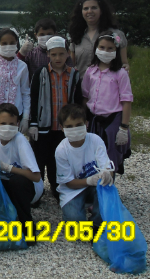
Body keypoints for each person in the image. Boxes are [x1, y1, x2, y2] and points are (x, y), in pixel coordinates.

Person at [0, 103, 43, 244]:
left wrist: (8, 168)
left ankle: (27, 228)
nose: (7, 127)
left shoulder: (20, 141)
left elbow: (36, 177)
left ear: (18, 124)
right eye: (3, 123)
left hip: (27, 187)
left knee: (16, 182)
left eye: (11, 124)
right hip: (4, 187)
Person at [27, 36, 82, 201]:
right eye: (54, 54)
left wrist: (78, 122)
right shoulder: (41, 73)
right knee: (39, 158)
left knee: (58, 158)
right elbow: (34, 98)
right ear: (48, 55)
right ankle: (36, 191)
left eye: (61, 54)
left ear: (67, 55)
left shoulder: (74, 74)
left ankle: (57, 187)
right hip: (43, 126)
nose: (58, 58)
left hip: (64, 127)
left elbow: (77, 99)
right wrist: (33, 123)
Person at [54, 104, 113, 235]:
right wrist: (89, 180)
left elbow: (107, 166)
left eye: (78, 125)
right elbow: (68, 182)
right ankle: (80, 211)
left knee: (107, 185)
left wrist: (107, 173)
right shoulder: (61, 150)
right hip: (72, 190)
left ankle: (97, 223)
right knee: (76, 224)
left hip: (96, 186)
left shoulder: (95, 140)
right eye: (69, 126)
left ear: (86, 124)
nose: (74, 129)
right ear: (62, 128)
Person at [82, 31, 133, 175]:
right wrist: (84, 118)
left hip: (112, 120)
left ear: (116, 51)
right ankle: (92, 187)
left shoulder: (120, 74)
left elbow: (126, 101)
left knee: (110, 156)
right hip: (93, 118)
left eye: (110, 48)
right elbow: (85, 96)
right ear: (96, 49)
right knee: (92, 154)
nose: (106, 51)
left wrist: (124, 127)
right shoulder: (90, 71)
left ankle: (108, 186)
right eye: (102, 47)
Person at [0, 28, 30, 135]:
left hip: (17, 115)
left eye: (12, 43)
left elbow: (25, 92)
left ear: (17, 43)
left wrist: (26, 118)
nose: (8, 46)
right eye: (4, 43)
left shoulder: (22, 66)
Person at [68, 0, 128, 78]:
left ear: (101, 10)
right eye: (86, 8)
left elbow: (124, 63)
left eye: (94, 8)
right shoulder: (76, 35)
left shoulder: (116, 34)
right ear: (81, 12)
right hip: (81, 86)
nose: (90, 11)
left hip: (108, 87)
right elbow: (72, 65)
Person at [17, 18, 73, 82]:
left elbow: (70, 72)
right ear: (36, 35)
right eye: (42, 34)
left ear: (55, 34)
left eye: (49, 34)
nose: (46, 37)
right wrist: (21, 53)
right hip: (36, 89)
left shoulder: (62, 53)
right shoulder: (31, 54)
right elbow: (16, 69)